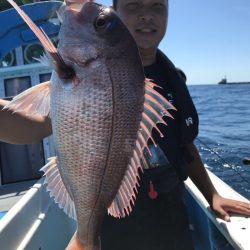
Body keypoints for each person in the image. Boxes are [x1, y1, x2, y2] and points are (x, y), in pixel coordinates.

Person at [0, 0, 249, 249]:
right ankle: (86, 237)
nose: (146, 15)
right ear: (116, 12)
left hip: (172, 214)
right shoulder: (85, 74)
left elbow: (185, 145)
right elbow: (34, 126)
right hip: (113, 226)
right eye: (134, 5)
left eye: (157, 6)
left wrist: (212, 194)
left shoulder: (171, 77)